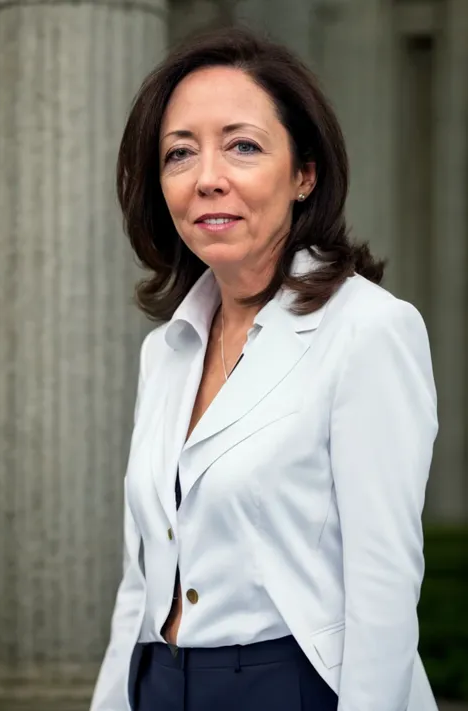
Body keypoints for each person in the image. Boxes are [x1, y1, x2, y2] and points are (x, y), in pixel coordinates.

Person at [90, 27, 439, 711]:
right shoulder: (166, 350)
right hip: (156, 681)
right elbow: (141, 579)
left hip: (290, 686)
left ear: (304, 173)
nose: (207, 176)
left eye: (242, 145)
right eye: (179, 153)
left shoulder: (368, 330)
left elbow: (384, 586)